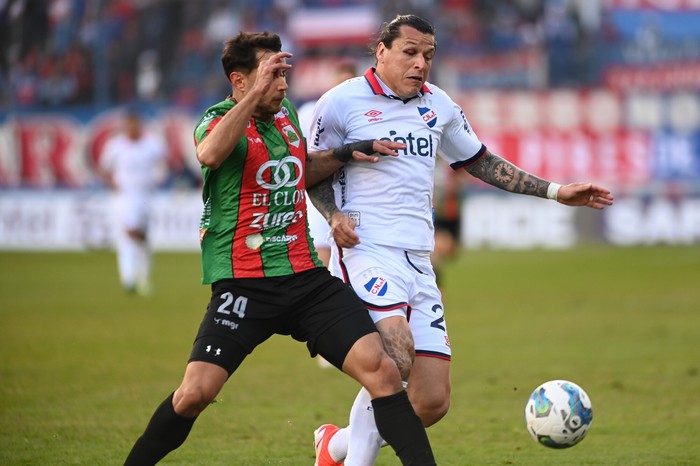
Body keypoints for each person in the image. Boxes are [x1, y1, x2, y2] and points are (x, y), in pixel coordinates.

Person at [307, 14, 614, 466]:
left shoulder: (439, 106)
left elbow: (481, 162)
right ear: (382, 51)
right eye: (410, 52)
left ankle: (334, 446)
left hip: (418, 260)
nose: (420, 63)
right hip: (366, 251)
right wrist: (333, 216)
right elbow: (311, 169)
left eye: (428, 55)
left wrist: (554, 190)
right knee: (393, 363)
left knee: (431, 401)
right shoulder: (340, 103)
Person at [123, 31, 436, 466]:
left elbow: (301, 172)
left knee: (383, 371)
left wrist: (348, 152)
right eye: (273, 75)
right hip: (245, 284)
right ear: (240, 81)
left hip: (306, 277)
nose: (284, 86)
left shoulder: (286, 115)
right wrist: (252, 99)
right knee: (195, 393)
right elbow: (210, 154)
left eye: (285, 74)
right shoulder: (215, 119)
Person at [298, 60, 359, 369]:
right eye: (341, 81)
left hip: (355, 198)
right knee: (324, 265)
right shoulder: (312, 110)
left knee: (349, 264)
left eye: (351, 81)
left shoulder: (362, 110)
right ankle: (325, 340)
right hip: (320, 197)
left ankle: (349, 337)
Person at [100, 109, 167, 296]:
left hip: (146, 195)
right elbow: (105, 168)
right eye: (128, 124)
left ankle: (143, 278)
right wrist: (112, 183)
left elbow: (164, 164)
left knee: (143, 238)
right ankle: (128, 280)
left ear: (139, 125)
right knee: (129, 233)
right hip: (125, 197)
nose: (131, 128)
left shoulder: (152, 144)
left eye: (134, 124)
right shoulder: (116, 146)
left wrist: (160, 177)